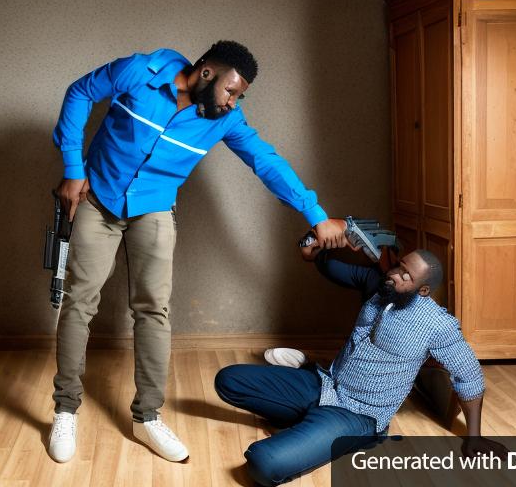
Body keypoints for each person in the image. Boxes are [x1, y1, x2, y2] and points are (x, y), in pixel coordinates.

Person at [47, 41, 347, 463]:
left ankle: (146, 417)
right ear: (206, 73)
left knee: (153, 309)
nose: (232, 102)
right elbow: (80, 92)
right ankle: (66, 409)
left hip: (153, 207)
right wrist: (73, 169)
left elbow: (267, 162)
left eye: (239, 96)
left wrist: (315, 214)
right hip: (99, 201)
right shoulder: (139, 71)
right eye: (231, 90)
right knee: (80, 302)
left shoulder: (226, 121)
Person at [214, 245, 507, 486]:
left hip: (358, 415)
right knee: (228, 380)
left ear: (423, 291)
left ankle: (330, 432)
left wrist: (474, 438)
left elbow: (469, 376)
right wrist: (318, 248)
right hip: (326, 384)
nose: (396, 274)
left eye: (407, 275)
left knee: (264, 465)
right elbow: (333, 269)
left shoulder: (438, 325)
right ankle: (305, 409)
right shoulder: (380, 287)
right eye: (399, 265)